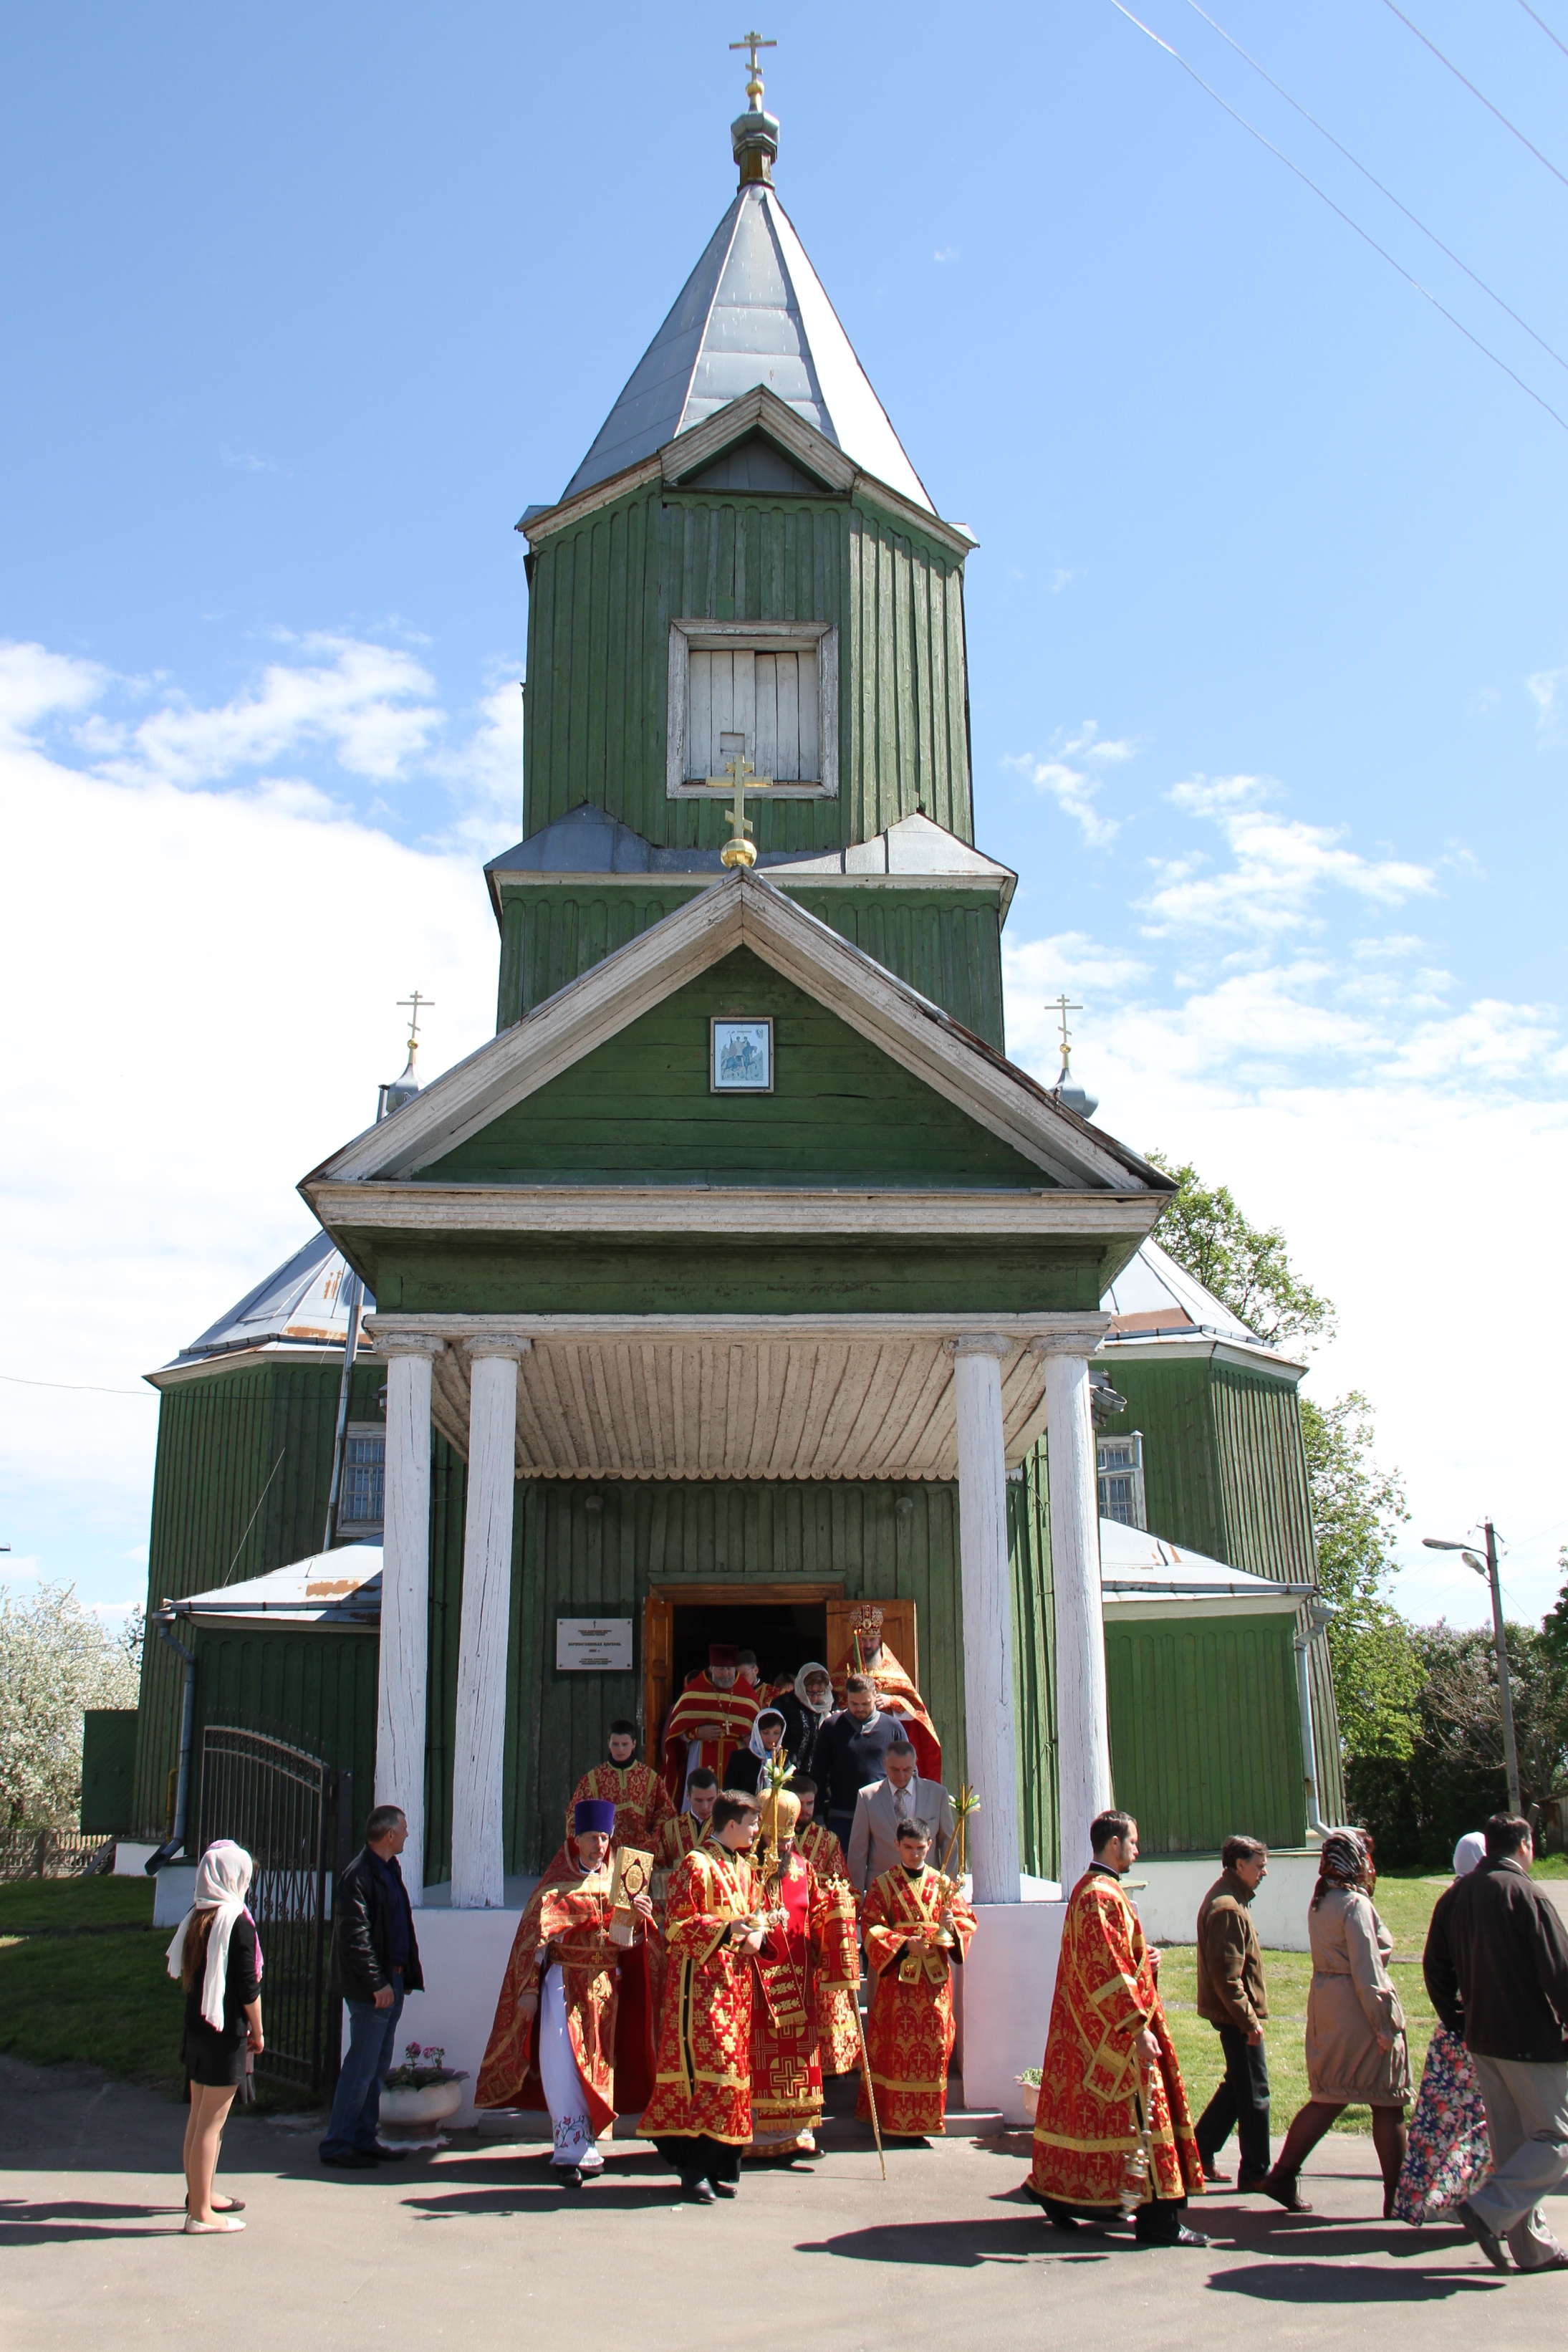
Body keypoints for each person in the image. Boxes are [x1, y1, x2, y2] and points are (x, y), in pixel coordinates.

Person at [1027, 1809, 1208, 2246]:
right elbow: (1104, 1968)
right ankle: (1159, 2222)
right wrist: (1134, 2027)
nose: (1137, 1850)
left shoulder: (1095, 1890)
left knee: (1100, 2124)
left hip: (1101, 2029)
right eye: (1133, 1842)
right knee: (1145, 2119)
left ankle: (1061, 2196)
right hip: (1119, 2032)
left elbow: (1116, 1958)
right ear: (1114, 1843)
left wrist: (1147, 1963)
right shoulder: (1100, 1895)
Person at [474, 1800, 657, 2187]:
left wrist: (639, 1917)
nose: (599, 1844)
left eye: (605, 1837)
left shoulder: (621, 1884)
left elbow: (626, 1942)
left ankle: (586, 2141)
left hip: (604, 1989)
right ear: (576, 1839)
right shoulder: (556, 1884)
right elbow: (533, 1939)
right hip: (563, 1983)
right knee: (562, 2062)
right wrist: (527, 1990)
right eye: (592, 1836)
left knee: (597, 2064)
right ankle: (569, 2148)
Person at [1425, 1811, 1568, 2273]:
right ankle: (1488, 2209)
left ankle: (1532, 2250)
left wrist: (1458, 2020)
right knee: (1557, 2138)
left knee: (1512, 2145)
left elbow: (1435, 1967)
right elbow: (1559, 1971)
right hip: (1531, 2038)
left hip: (1484, 2037)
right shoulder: (1526, 1893)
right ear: (1524, 1844)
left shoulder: (1457, 1895)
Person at [1263, 1828, 1409, 2216]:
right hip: (1358, 2009)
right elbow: (1368, 1969)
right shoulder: (1354, 1905)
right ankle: (1398, 2196)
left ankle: (1282, 2174)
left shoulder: (1322, 1901)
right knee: (1388, 2100)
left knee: (1330, 2094)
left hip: (1328, 2005)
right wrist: (1383, 2024)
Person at [640, 1792, 766, 2202]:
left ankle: (721, 2165)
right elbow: (676, 1923)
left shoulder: (746, 1869)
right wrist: (729, 1931)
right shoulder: (697, 1864)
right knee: (704, 2076)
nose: (755, 1831)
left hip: (737, 1989)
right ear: (730, 1824)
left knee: (731, 2077)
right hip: (700, 1992)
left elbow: (757, 1913)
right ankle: (693, 2169)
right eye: (751, 1824)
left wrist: (757, 1936)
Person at [747, 1787, 861, 2158]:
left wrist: (837, 1914)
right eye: (774, 1839)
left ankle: (799, 2131)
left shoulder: (803, 1868)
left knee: (796, 2055)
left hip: (799, 1975)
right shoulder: (745, 1869)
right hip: (756, 1979)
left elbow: (815, 1915)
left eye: (786, 1840)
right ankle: (754, 2131)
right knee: (758, 2054)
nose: (780, 1847)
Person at [1393, 1830, 1494, 2226]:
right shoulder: (1480, 1901)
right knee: (1484, 2121)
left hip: (1452, 2033)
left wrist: (1450, 2016)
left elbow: (1433, 1967)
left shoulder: (1449, 1900)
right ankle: (1470, 2199)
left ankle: (1442, 2198)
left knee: (1442, 2122)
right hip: (1478, 2030)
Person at [857, 1816, 976, 2144]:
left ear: (929, 1847)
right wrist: (904, 1943)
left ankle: (927, 2119)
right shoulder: (882, 1885)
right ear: (897, 1846)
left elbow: (967, 1922)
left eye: (921, 1848)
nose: (914, 1854)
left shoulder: (944, 1885)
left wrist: (950, 1926)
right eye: (908, 1848)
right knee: (897, 2049)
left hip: (934, 1984)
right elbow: (870, 1926)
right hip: (899, 1985)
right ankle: (893, 2119)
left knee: (936, 2046)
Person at [319, 1804, 424, 2171]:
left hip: (391, 1978)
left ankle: (364, 2137)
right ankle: (338, 2141)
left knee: (377, 2065)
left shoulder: (389, 1870)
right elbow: (356, 1938)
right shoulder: (359, 1875)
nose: (408, 1835)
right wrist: (377, 1983)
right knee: (362, 2064)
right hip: (372, 1987)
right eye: (404, 1829)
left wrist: (401, 1975)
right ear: (389, 1835)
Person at [165, 1840, 262, 2233]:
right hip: (225, 2030)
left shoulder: (197, 1915)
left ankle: (200, 2195)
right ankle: (201, 2214)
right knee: (212, 2123)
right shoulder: (236, 1920)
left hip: (198, 2028)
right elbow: (247, 1985)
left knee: (199, 2118)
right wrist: (258, 2029)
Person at [1193, 1836, 1272, 2193]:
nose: (1264, 1872)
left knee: (1237, 2087)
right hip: (1236, 2018)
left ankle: (1197, 2151)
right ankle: (1256, 2172)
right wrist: (1250, 2022)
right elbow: (1227, 1978)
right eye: (1259, 1865)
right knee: (1255, 2092)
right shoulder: (1228, 1907)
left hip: (1234, 2016)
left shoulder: (1232, 1899)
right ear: (1239, 1865)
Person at [832, 1604, 942, 1780]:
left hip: (886, 1739)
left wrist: (891, 1701)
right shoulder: (842, 1672)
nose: (867, 1645)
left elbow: (916, 1709)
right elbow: (834, 1703)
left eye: (872, 1640)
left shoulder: (893, 1671)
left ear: (879, 1641)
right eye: (863, 1640)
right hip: (853, 1740)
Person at [847, 1740, 956, 1894]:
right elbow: (858, 1852)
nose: (901, 1775)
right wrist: (856, 1898)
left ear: (915, 1764)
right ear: (884, 1763)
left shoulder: (937, 1794)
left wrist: (948, 1889)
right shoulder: (867, 1797)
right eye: (895, 1769)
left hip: (928, 1889)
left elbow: (949, 1844)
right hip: (882, 1891)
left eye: (907, 1769)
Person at [660, 1643, 760, 1801]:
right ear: (711, 1669)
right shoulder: (693, 1693)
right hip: (700, 1756)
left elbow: (758, 1733)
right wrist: (697, 1733)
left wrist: (751, 1739)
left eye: (730, 1669)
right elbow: (675, 1735)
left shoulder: (747, 1694)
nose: (726, 1674)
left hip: (735, 1760)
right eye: (721, 1669)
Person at [817, 1674, 903, 1855]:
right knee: (842, 1876)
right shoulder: (831, 1727)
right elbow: (818, 1775)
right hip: (842, 1817)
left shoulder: (893, 1728)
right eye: (854, 1704)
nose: (860, 1708)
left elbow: (909, 1773)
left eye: (866, 1703)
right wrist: (818, 1818)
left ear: (875, 1697)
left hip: (883, 1817)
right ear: (847, 1698)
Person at [566, 1721, 675, 1853]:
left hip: (642, 1852)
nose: (620, 1750)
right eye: (615, 1744)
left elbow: (667, 1813)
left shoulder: (650, 1778)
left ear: (634, 1744)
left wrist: (653, 1842)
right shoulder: (592, 1780)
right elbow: (575, 1815)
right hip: (603, 1854)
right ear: (608, 1744)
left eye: (625, 1744)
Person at [775, 1661, 836, 1781]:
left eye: (820, 1692)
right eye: (809, 1692)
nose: (814, 1697)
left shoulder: (828, 1706)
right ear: (801, 1687)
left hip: (819, 1773)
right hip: (789, 1773)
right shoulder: (784, 1704)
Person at [655, 1767, 718, 1871]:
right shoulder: (670, 1829)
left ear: (718, 1795)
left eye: (710, 1800)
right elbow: (657, 1866)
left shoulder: (727, 1828)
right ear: (688, 1796)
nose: (705, 1807)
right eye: (699, 1800)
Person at [791, 1777, 848, 1885]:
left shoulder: (828, 1840)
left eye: (810, 1803)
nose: (805, 1809)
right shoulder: (776, 1838)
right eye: (800, 1803)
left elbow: (842, 1884)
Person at [723, 1707, 789, 1795]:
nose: (771, 1738)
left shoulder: (785, 1759)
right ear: (757, 1732)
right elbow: (729, 1794)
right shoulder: (740, 1758)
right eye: (766, 1733)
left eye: (776, 1733)